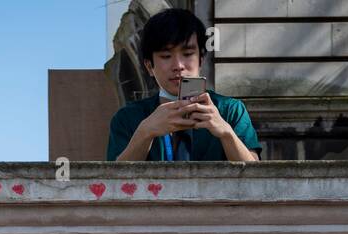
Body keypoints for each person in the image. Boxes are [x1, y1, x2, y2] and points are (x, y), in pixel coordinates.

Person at [107, 8, 260, 162]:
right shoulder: (127, 118)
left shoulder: (230, 110)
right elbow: (113, 179)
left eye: (187, 54)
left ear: (201, 60)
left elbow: (257, 174)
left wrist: (226, 133)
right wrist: (145, 133)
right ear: (149, 66)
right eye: (166, 56)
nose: (178, 65)